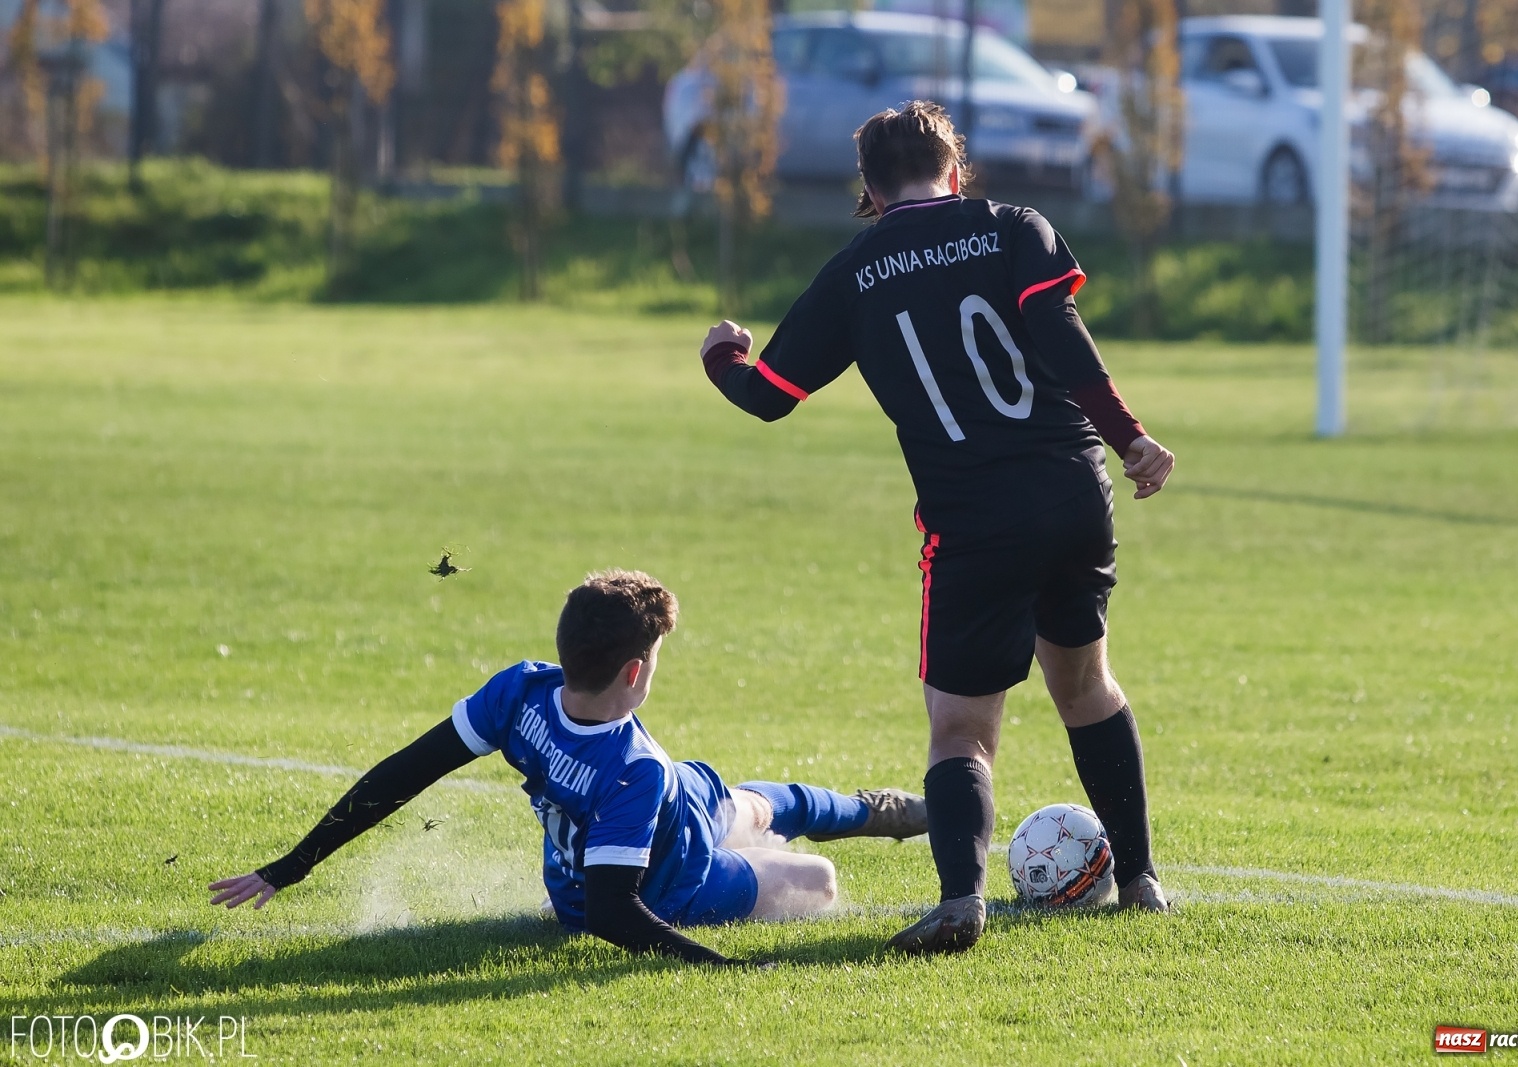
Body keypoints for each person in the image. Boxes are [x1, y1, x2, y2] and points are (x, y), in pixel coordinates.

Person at [697, 102, 1176, 955]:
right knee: (1086, 686)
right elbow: (1061, 334)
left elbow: (768, 395)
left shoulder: (856, 270)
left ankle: (962, 900)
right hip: (1072, 491)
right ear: (955, 169)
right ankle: (1140, 879)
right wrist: (1130, 436)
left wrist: (722, 356)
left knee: (961, 730)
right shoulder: (1013, 227)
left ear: (871, 190)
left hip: (973, 519)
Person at [208, 570, 926, 965]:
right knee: (817, 879)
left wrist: (292, 865)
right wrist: (725, 966)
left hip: (676, 805)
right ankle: (850, 827)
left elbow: (403, 773)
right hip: (668, 882)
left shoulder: (520, 692)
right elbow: (614, 911)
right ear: (635, 670)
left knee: (766, 805)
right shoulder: (630, 768)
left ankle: (891, 812)